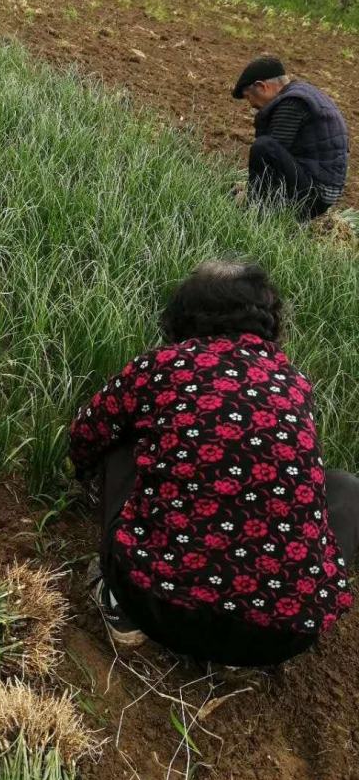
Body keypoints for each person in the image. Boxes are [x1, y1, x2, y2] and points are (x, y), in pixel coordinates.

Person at [69, 260, 358, 667]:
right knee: (346, 487)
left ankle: (120, 601)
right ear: (267, 321)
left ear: (182, 317)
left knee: (121, 439)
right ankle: (281, 603)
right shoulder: (294, 382)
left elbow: (86, 434)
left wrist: (89, 480)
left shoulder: (161, 366)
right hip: (282, 639)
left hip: (161, 605)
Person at [232, 56, 349, 220]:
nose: (250, 104)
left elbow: (270, 157)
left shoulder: (292, 103)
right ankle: (262, 204)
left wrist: (252, 192)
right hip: (321, 188)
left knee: (264, 147)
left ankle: (256, 212)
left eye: (248, 97)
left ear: (261, 86)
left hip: (315, 194)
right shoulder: (303, 94)